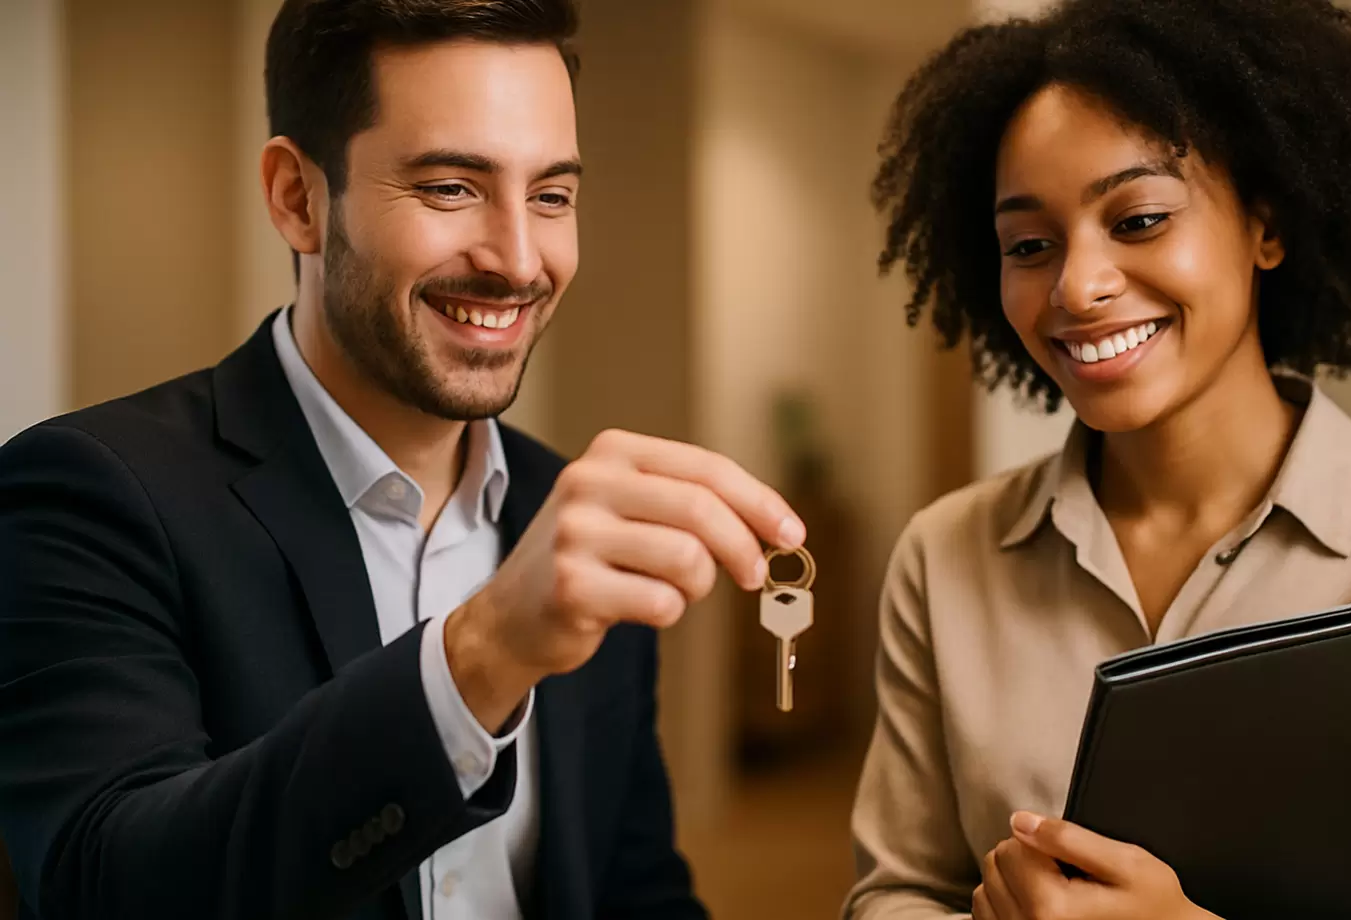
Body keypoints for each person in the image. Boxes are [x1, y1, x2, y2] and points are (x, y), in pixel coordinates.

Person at [0, 1, 807, 918]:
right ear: (297, 198)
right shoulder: (89, 492)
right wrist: (481, 655)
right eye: (451, 187)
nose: (516, 259)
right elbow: (104, 890)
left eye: (551, 196)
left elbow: (634, 892)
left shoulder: (573, 516)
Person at [845, 1, 1351, 918]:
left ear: (1267, 225)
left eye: (1136, 219)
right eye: (1029, 244)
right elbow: (894, 892)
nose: (1077, 286)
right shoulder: (945, 557)